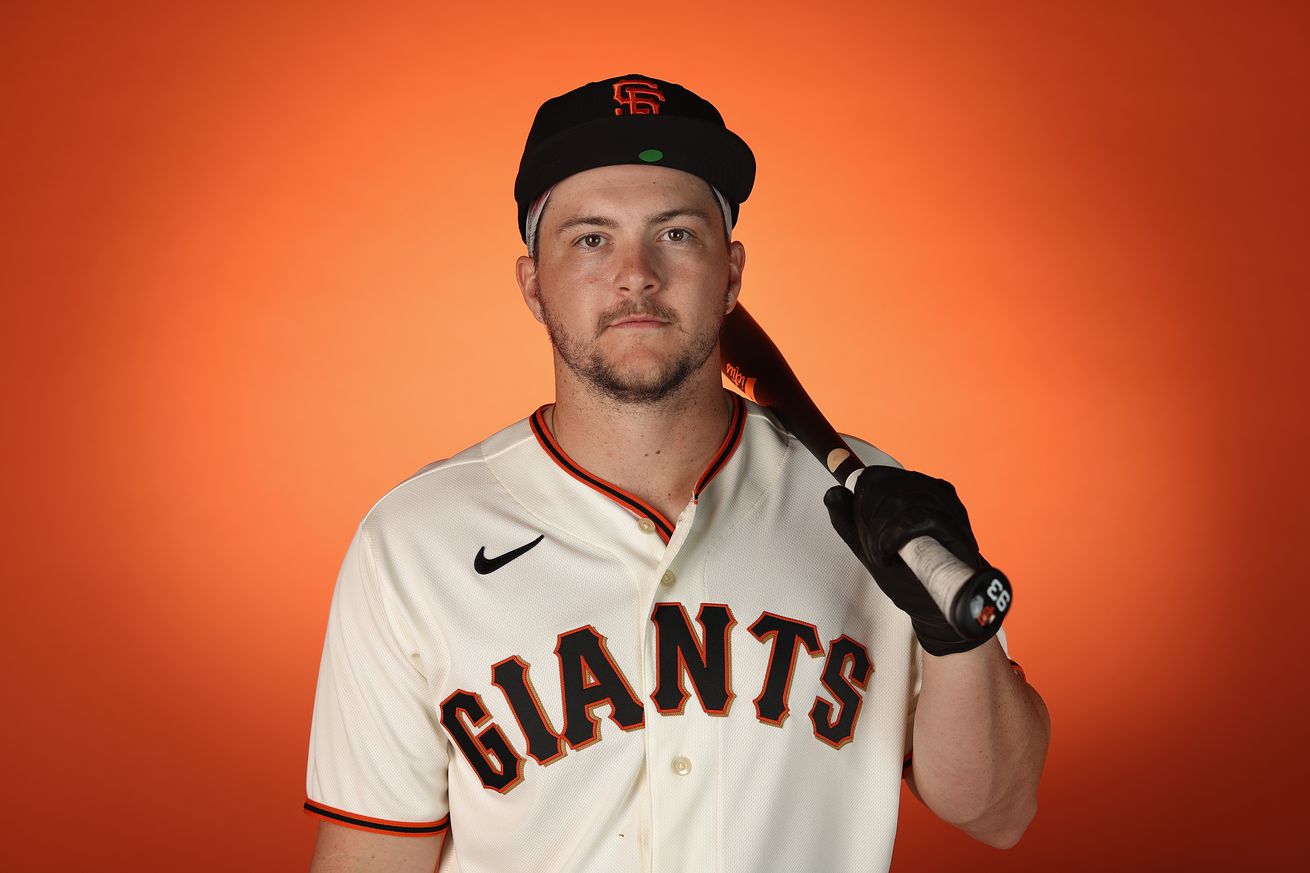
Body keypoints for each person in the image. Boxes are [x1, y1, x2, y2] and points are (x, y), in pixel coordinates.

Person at [304, 74, 1050, 873]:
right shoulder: (414, 542)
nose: (637, 274)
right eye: (592, 238)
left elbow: (1000, 811)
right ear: (532, 284)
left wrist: (957, 636)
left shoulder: (874, 505)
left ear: (731, 273)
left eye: (677, 235)